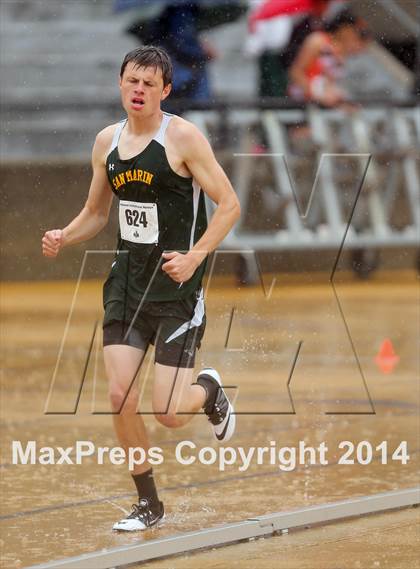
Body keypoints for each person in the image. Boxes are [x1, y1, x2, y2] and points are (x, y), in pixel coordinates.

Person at [41, 46, 240, 532]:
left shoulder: (184, 139)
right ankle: (148, 501)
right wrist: (66, 234)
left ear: (165, 91)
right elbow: (96, 213)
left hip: (176, 290)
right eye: (132, 81)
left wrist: (195, 256)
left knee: (169, 412)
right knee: (118, 393)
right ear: (120, 83)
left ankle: (210, 392)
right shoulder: (106, 142)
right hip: (126, 286)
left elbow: (230, 204)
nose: (138, 90)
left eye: (150, 84)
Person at [288, 10, 366, 106]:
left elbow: (328, 82)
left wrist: (339, 101)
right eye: (355, 32)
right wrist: (316, 94)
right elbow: (295, 72)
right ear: (344, 28)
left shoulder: (343, 51)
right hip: (300, 99)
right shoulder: (318, 40)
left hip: (320, 103)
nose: (355, 36)